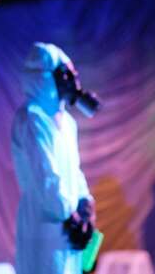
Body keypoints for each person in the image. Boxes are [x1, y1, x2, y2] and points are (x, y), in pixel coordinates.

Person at [11, 42, 97, 274]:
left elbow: (73, 169)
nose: (72, 81)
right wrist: (70, 215)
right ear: (48, 77)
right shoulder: (32, 117)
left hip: (70, 228)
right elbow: (45, 176)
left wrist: (85, 203)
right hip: (45, 228)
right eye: (66, 74)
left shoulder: (67, 122)